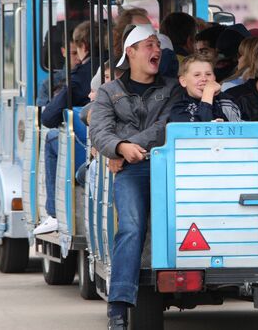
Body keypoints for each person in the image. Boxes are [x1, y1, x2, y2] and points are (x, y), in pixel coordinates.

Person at [89, 24, 181, 330]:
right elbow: (99, 131)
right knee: (130, 227)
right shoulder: (108, 91)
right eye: (149, 45)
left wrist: (129, 145)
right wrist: (117, 148)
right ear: (131, 52)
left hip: (170, 164)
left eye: (158, 45)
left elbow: (168, 125)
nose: (157, 51)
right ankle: (119, 305)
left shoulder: (173, 88)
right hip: (135, 169)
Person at [34, 21, 97, 235]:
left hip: (92, 149)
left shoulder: (80, 75)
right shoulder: (112, 64)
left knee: (52, 137)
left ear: (83, 46)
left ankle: (53, 212)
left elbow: (49, 117)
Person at [169, 54, 241, 122]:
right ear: (183, 81)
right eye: (197, 75)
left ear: (214, 78)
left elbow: (238, 132)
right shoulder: (179, 109)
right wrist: (207, 95)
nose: (204, 79)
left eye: (208, 74)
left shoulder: (227, 102)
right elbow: (200, 132)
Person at [36, 31, 80, 107]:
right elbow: (44, 114)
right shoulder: (49, 85)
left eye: (82, 53)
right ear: (63, 52)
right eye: (74, 53)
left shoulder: (93, 78)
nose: (79, 58)